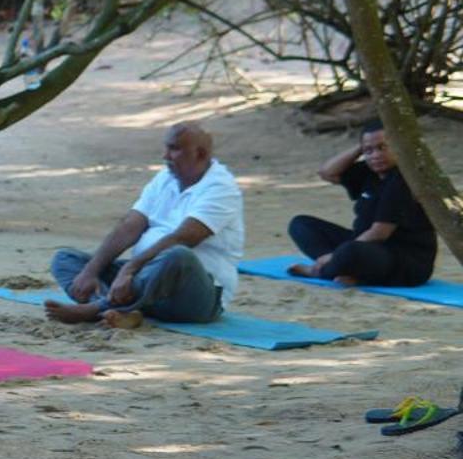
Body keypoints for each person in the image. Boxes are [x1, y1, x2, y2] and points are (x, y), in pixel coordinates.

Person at [45, 121, 244, 328]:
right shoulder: (166, 177)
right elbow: (130, 226)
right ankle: (121, 312)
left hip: (195, 297)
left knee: (178, 255)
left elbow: (183, 238)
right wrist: (90, 271)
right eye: (167, 147)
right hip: (145, 284)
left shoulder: (221, 188)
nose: (165, 156)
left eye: (174, 149)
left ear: (200, 154)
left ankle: (97, 308)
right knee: (66, 259)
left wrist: (129, 270)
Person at [287, 120, 437, 287]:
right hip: (366, 246)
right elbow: (327, 173)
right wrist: (361, 147)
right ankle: (344, 270)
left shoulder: (403, 179)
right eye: (369, 151)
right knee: (301, 225)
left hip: (404, 261)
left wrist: (334, 256)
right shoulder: (369, 171)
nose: (375, 155)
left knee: (350, 251)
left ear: (398, 146)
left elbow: (380, 233)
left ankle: (320, 271)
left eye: (382, 147)